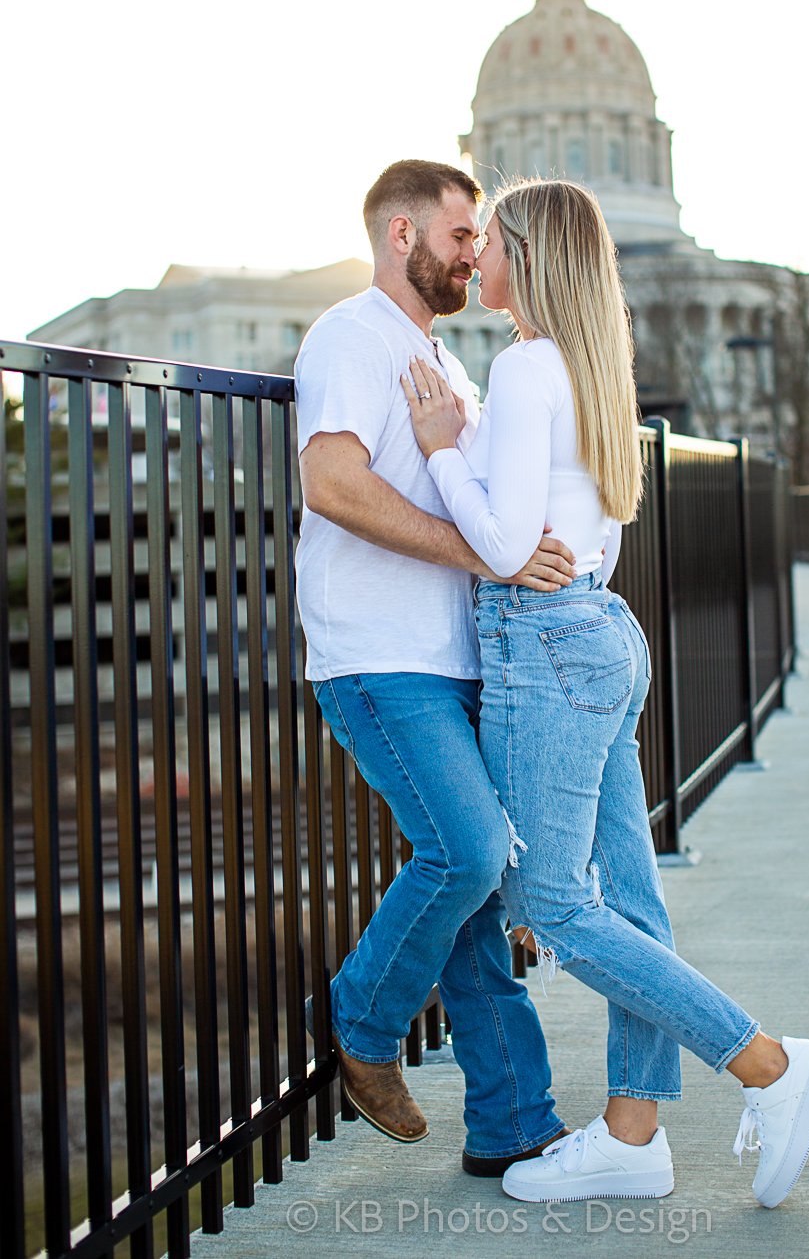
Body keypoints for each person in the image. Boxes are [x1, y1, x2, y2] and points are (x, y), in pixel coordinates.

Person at [399, 176, 809, 1208]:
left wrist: (439, 454)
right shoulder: (591, 365)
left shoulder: (523, 368)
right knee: (629, 902)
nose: (476, 259)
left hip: (545, 646)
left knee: (544, 897)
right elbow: (563, 524)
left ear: (531, 256)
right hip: (599, 631)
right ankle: (635, 1134)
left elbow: (506, 544)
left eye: (493, 242)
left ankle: (767, 1066)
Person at [294, 158, 584, 1176]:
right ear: (401, 235)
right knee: (464, 851)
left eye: (479, 239)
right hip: (377, 653)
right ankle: (363, 1020)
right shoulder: (350, 336)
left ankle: (513, 1123)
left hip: (458, 656)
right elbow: (332, 484)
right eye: (463, 235)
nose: (476, 252)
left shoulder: (447, 361)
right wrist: (484, 554)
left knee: (484, 880)